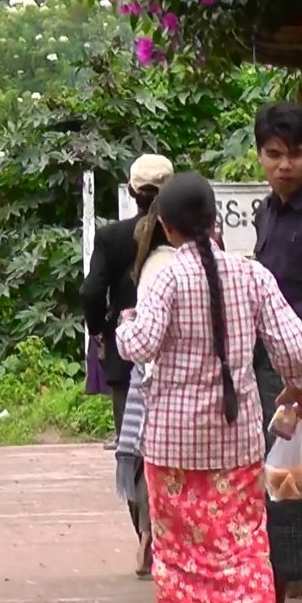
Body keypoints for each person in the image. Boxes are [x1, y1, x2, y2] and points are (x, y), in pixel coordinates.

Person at [115, 171, 302, 603]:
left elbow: (141, 346)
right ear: (214, 219)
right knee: (244, 540)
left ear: (164, 225)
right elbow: (291, 346)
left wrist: (125, 325)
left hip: (172, 442)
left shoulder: (165, 278)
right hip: (237, 436)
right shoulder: (251, 274)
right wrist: (294, 387)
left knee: (178, 549)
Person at [249, 101, 302, 603]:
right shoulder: (265, 213)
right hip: (269, 368)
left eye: (294, 154)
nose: (283, 165)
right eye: (273, 154)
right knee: (272, 493)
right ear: (260, 156)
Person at [83, 153, 175, 451]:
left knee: (131, 441)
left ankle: (137, 496)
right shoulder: (179, 236)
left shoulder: (111, 236)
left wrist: (99, 330)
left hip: (125, 346)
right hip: (176, 345)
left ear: (131, 190)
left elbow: (91, 291)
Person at [112, 194, 176, 579]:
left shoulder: (151, 263)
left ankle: (149, 535)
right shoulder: (231, 267)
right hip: (215, 397)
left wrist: (121, 328)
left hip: (149, 379)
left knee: (146, 460)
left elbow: (141, 341)